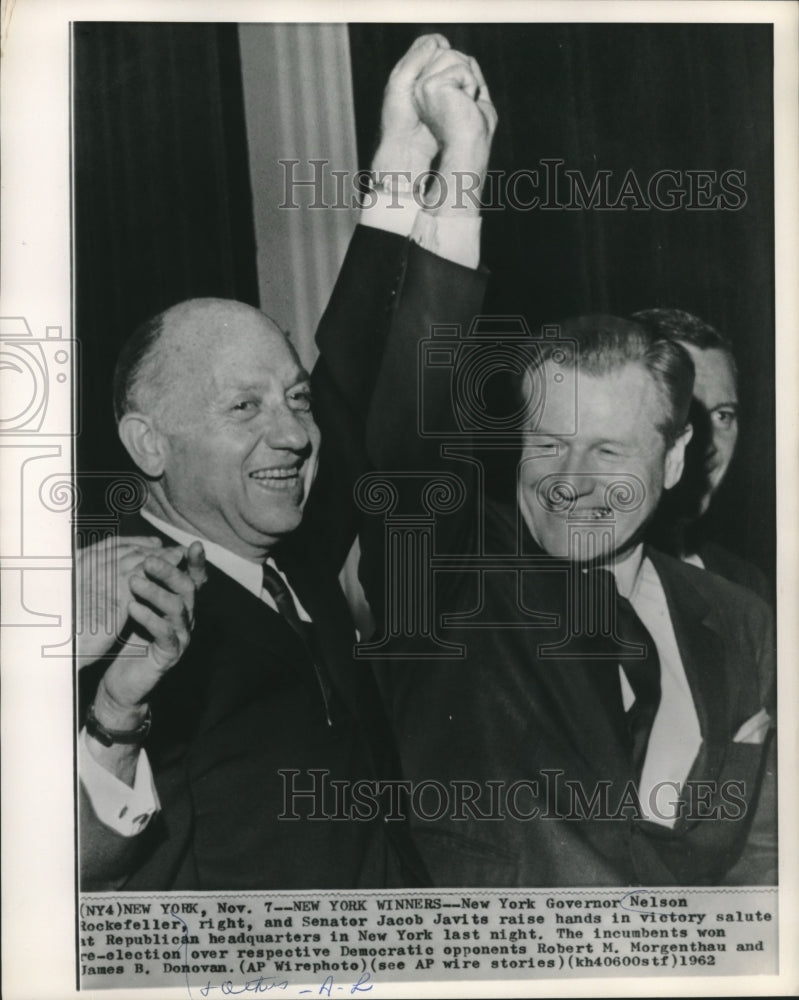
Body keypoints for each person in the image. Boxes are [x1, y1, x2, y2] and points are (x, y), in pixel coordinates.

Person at [78, 34, 486, 891]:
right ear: (149, 442)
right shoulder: (106, 604)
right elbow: (64, 866)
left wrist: (424, 172)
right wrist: (114, 715)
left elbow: (355, 382)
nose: (294, 436)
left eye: (289, 401)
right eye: (243, 408)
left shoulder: (280, 558)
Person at [358, 57, 776, 888]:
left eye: (609, 450)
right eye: (546, 444)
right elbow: (404, 428)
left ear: (676, 456)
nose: (570, 479)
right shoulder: (450, 577)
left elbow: (758, 861)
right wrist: (457, 169)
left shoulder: (738, 620)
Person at [634, 308, 771, 604]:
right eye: (687, 413)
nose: (708, 444)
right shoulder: (560, 581)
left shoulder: (747, 587)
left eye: (723, 415)